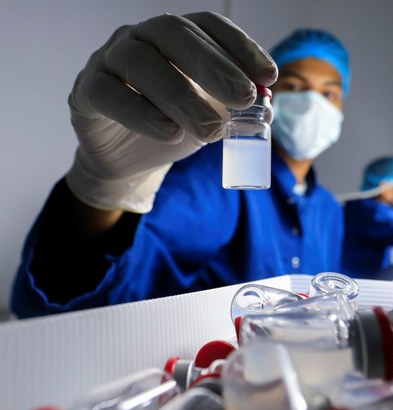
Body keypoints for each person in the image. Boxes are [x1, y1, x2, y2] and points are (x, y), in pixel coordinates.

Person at [10, 12, 350, 319]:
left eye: (328, 93)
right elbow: (119, 296)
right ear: (265, 93)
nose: (311, 104)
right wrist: (103, 189)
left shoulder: (328, 210)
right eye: (293, 86)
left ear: (341, 107)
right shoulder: (212, 176)